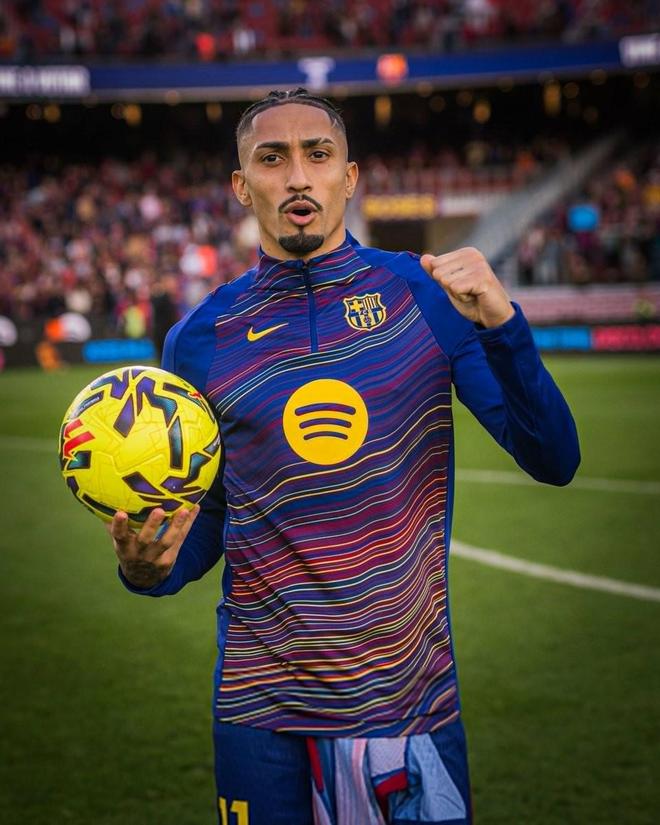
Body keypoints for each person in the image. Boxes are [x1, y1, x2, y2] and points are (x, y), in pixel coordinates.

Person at [108, 88, 580, 825]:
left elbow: (553, 456)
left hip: (405, 700)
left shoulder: (423, 295)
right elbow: (214, 517)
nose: (298, 176)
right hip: (258, 709)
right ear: (242, 186)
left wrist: (503, 326)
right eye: (272, 159)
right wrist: (149, 568)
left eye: (318, 155)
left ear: (349, 177)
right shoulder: (198, 340)